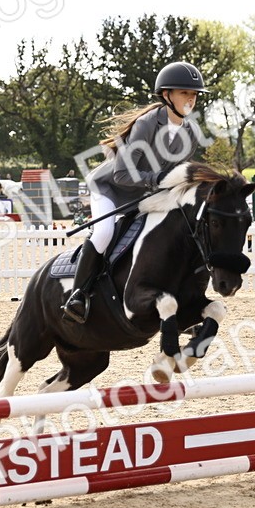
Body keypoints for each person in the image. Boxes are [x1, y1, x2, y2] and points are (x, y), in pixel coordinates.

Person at [62, 61, 208, 323]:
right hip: (111, 190)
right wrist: (158, 178)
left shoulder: (192, 132)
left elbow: (177, 174)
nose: (191, 99)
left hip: (145, 197)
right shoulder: (146, 124)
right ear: (166, 95)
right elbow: (121, 175)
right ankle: (78, 295)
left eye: (194, 94)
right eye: (185, 92)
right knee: (105, 232)